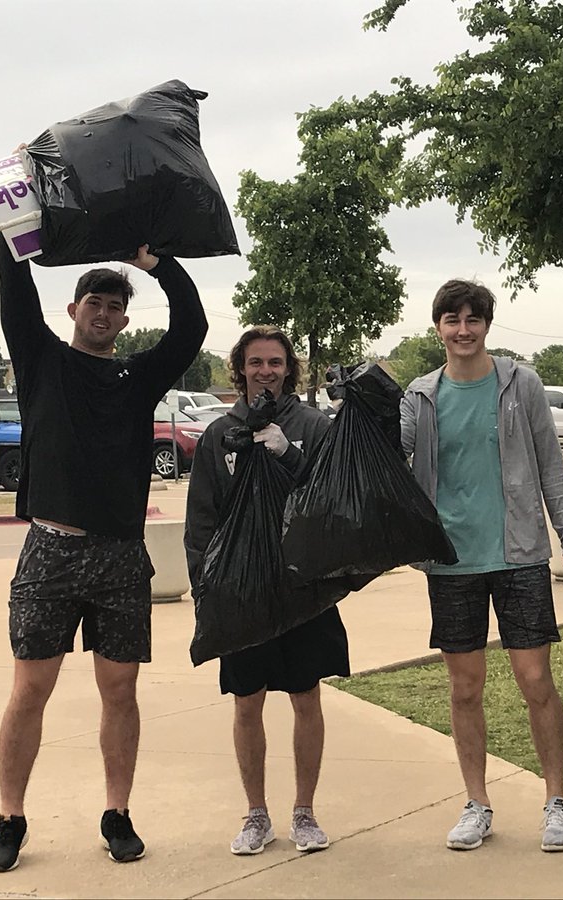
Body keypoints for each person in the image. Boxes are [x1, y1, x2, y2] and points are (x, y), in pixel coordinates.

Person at [0, 234, 207, 872]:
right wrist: (12, 224)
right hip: (49, 552)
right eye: (94, 302)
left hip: (118, 558)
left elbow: (192, 326)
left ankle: (117, 813)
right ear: (74, 309)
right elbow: (13, 291)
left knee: (120, 690)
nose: (103, 313)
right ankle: (10, 818)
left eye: (114, 306)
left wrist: (154, 264)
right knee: (30, 690)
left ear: (125, 320)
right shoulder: (41, 360)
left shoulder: (138, 378)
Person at [400, 280, 563, 853]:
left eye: (472, 319)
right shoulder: (420, 395)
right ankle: (476, 803)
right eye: (452, 319)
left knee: (535, 680)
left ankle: (557, 801)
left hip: (519, 555)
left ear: (487, 324)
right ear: (437, 327)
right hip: (451, 560)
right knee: (465, 687)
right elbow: (391, 453)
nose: (463, 329)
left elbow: (550, 464)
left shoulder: (519, 383)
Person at [184, 325, 348, 857]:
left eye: (275, 363)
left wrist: (289, 457)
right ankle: (256, 813)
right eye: (255, 363)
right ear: (241, 370)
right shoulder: (218, 435)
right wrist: (204, 589)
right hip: (240, 591)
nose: (265, 372)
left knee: (306, 695)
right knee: (246, 700)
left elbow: (333, 502)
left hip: (302, 587)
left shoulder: (314, 427)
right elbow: (202, 519)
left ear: (289, 369)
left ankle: (305, 811)